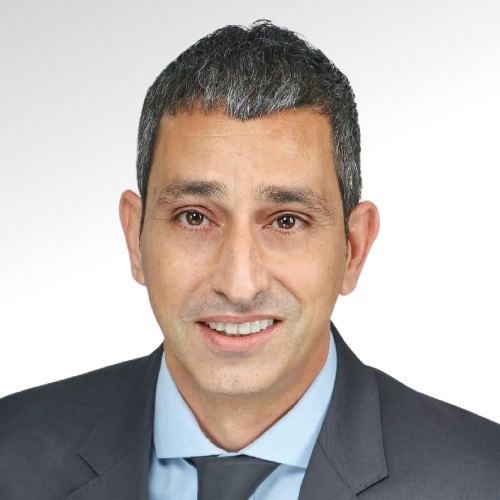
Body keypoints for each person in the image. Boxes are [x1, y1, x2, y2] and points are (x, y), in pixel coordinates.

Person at [1, 20, 499, 500]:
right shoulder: (9, 453)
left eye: (287, 221)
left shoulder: (483, 479)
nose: (239, 285)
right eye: (195, 217)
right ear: (136, 239)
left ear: (354, 248)